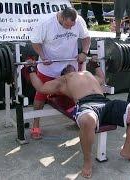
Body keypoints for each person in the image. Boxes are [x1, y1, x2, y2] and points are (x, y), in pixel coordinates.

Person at [27, 60, 130, 178]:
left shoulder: (88, 74)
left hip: (105, 103)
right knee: (88, 120)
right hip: (86, 105)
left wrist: (96, 65)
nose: (68, 66)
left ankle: (127, 150)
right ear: (63, 73)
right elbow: (41, 87)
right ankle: (87, 161)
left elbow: (101, 78)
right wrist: (31, 69)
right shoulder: (63, 80)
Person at [30, 7, 91, 139]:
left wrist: (84, 52)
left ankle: (79, 118)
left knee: (76, 94)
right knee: (41, 95)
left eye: (72, 26)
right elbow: (35, 42)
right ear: (61, 17)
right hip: (49, 67)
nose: (69, 29)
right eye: (67, 25)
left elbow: (86, 38)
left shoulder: (79, 21)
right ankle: (36, 125)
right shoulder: (45, 23)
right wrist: (42, 56)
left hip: (70, 67)